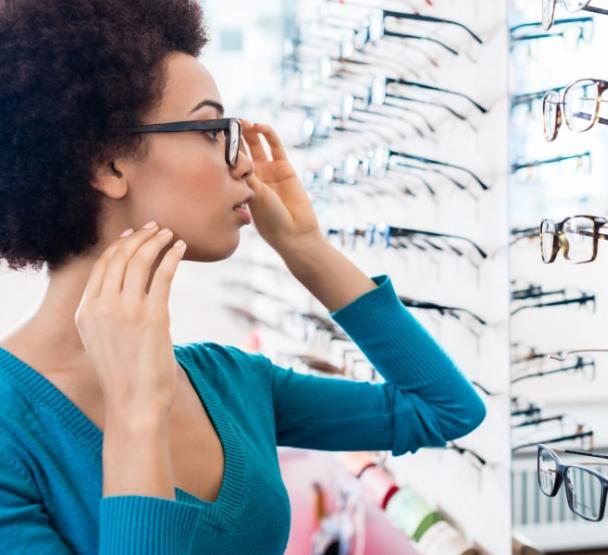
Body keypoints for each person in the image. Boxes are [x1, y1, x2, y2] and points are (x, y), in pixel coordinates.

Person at [0, 1, 487, 553]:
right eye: (212, 130)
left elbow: (445, 410)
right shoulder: (10, 428)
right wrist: (138, 419)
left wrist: (305, 249)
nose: (246, 164)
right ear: (110, 165)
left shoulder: (229, 381)